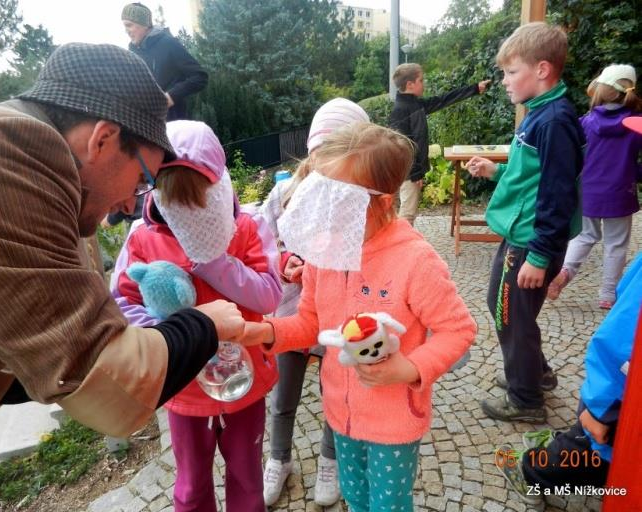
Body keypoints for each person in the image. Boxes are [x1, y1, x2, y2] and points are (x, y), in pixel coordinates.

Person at [0, 43, 245, 437]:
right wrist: (204, 326)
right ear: (103, 140)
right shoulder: (11, 143)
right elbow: (106, 387)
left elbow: (36, 355)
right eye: (144, 179)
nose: (131, 203)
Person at [241, 122, 477, 512]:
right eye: (323, 197)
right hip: (341, 415)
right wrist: (261, 331)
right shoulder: (327, 251)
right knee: (355, 498)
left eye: (341, 202)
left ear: (382, 202)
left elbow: (459, 330)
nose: (328, 213)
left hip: (394, 423)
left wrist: (410, 368)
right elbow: (310, 324)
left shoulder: (415, 260)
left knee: (387, 506)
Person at [112, 120, 282, 512]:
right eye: (179, 215)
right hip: (184, 386)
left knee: (246, 478)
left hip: (245, 382)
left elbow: (270, 294)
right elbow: (123, 304)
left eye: (200, 216)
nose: (189, 225)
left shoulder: (245, 227)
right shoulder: (142, 237)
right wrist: (175, 332)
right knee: (189, 488)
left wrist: (214, 262)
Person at [466, 22, 586, 423]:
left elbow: (557, 194)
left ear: (542, 69)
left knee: (509, 314)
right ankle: (538, 374)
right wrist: (494, 172)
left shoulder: (553, 121)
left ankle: (526, 399)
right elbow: (532, 180)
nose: (503, 81)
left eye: (510, 71)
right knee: (505, 309)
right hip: (522, 234)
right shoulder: (540, 115)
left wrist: (539, 255)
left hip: (530, 242)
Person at [259, 98, 369, 507]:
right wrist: (287, 260)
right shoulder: (285, 192)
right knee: (283, 395)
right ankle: (278, 459)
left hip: (336, 315)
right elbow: (265, 245)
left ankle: (330, 459)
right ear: (312, 150)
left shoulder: (360, 200)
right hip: (291, 311)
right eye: (325, 152)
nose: (330, 165)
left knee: (335, 392)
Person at [495, 249, 642, 506]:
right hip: (623, 405)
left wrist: (600, 410)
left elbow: (623, 339)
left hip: (625, 414)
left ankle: (529, 473)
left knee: (593, 449)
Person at [547, 64, 642, 309]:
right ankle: (608, 296)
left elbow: (573, 153)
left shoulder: (585, 123)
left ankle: (565, 272)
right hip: (621, 193)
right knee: (616, 244)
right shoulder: (636, 125)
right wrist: (634, 173)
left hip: (588, 191)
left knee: (584, 236)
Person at [389, 63, 491, 224]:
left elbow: (443, 100)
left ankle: (403, 245)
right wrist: (415, 172)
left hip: (410, 171)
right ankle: (402, 247)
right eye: (421, 80)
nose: (424, 84)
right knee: (407, 215)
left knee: (408, 213)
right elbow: (401, 144)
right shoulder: (400, 110)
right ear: (410, 84)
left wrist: (474, 89)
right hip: (407, 171)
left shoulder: (415, 104)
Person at [121, 2, 208, 121]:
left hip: (173, 123)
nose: (126, 31)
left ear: (144, 24)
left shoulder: (168, 43)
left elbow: (199, 77)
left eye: (129, 25)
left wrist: (170, 97)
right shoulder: (133, 52)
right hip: (146, 125)